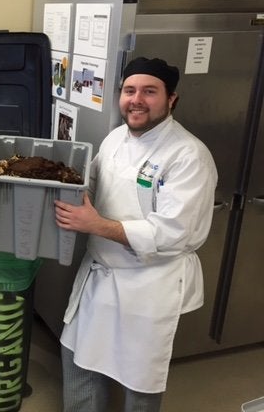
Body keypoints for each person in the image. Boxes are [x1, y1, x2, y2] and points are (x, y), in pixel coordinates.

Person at [54, 57, 218, 412]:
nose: (137, 100)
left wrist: (95, 225)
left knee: (138, 382)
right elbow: (92, 185)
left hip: (148, 284)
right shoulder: (115, 138)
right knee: (78, 359)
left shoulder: (188, 155)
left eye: (149, 91)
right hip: (100, 274)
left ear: (171, 99)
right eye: (130, 90)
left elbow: (173, 231)